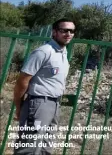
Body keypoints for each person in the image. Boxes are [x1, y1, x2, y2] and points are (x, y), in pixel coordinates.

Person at [13, 18, 75, 155]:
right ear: (54, 32)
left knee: (45, 148)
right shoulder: (43, 52)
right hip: (38, 104)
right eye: (64, 30)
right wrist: (19, 107)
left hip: (55, 104)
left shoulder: (63, 53)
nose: (68, 34)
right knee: (29, 147)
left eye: (72, 31)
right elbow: (22, 81)